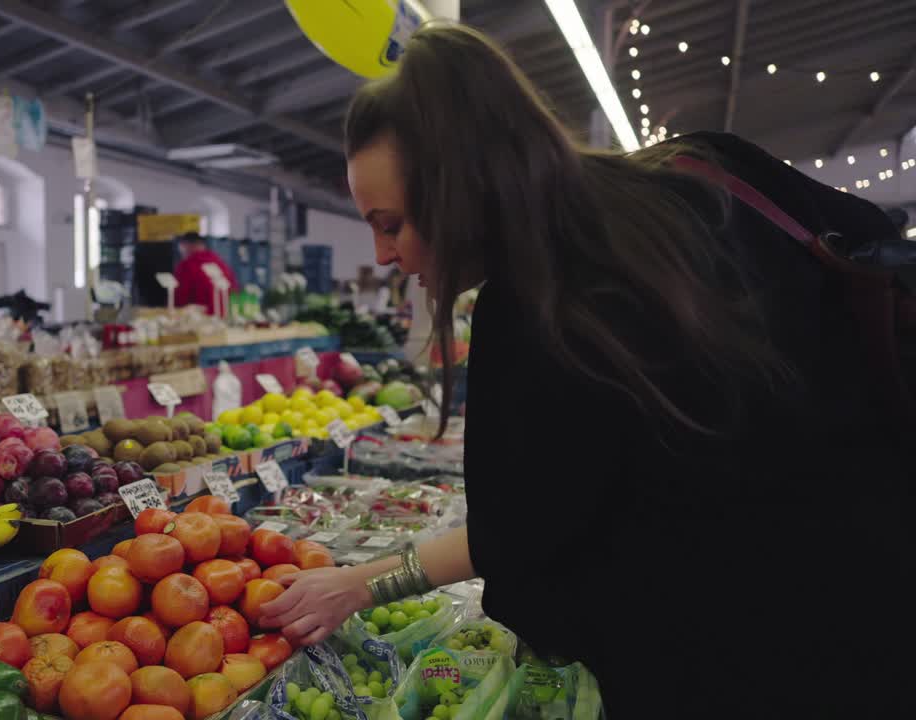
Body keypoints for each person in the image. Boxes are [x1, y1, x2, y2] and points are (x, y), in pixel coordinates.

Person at [257, 23, 912, 718]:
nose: (384, 254)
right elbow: (866, 234)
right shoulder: (705, 168)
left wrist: (371, 582)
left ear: (460, 186)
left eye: (391, 224)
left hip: (749, 662)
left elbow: (526, 550)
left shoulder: (539, 305)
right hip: (882, 588)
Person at [171, 232, 237, 314]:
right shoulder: (220, 263)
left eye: (181, 247)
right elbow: (234, 289)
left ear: (186, 245)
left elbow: (180, 297)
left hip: (202, 317)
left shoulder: (186, 266)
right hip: (227, 314)